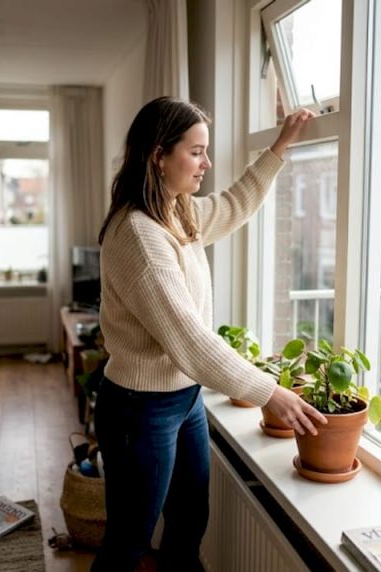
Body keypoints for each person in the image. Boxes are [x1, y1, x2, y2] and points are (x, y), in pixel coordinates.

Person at [92, 97, 324, 571]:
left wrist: (279, 147)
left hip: (183, 398)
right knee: (128, 544)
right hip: (141, 408)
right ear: (159, 155)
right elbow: (190, 340)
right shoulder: (140, 235)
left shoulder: (176, 214)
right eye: (196, 152)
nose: (207, 163)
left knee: (188, 524)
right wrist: (268, 392)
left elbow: (234, 203)